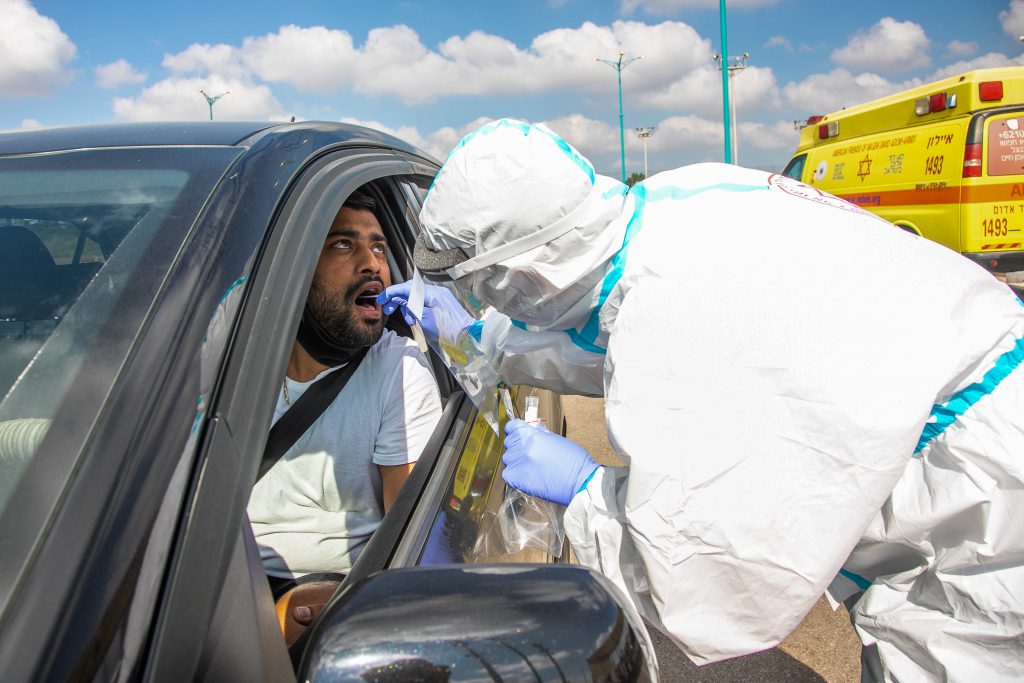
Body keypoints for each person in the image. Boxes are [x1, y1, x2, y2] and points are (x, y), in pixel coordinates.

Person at [379, 119, 1024, 681]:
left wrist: (585, 494)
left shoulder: (683, 320)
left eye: (491, 293)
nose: (498, 308)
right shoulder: (668, 214)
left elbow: (714, 579)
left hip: (981, 519)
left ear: (527, 273)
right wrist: (478, 341)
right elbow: (593, 324)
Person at [248, 191, 442, 593]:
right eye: (342, 244)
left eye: (379, 247)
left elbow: (410, 542)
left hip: (339, 588)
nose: (373, 263)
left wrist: (346, 598)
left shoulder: (397, 368)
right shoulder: (231, 364)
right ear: (295, 268)